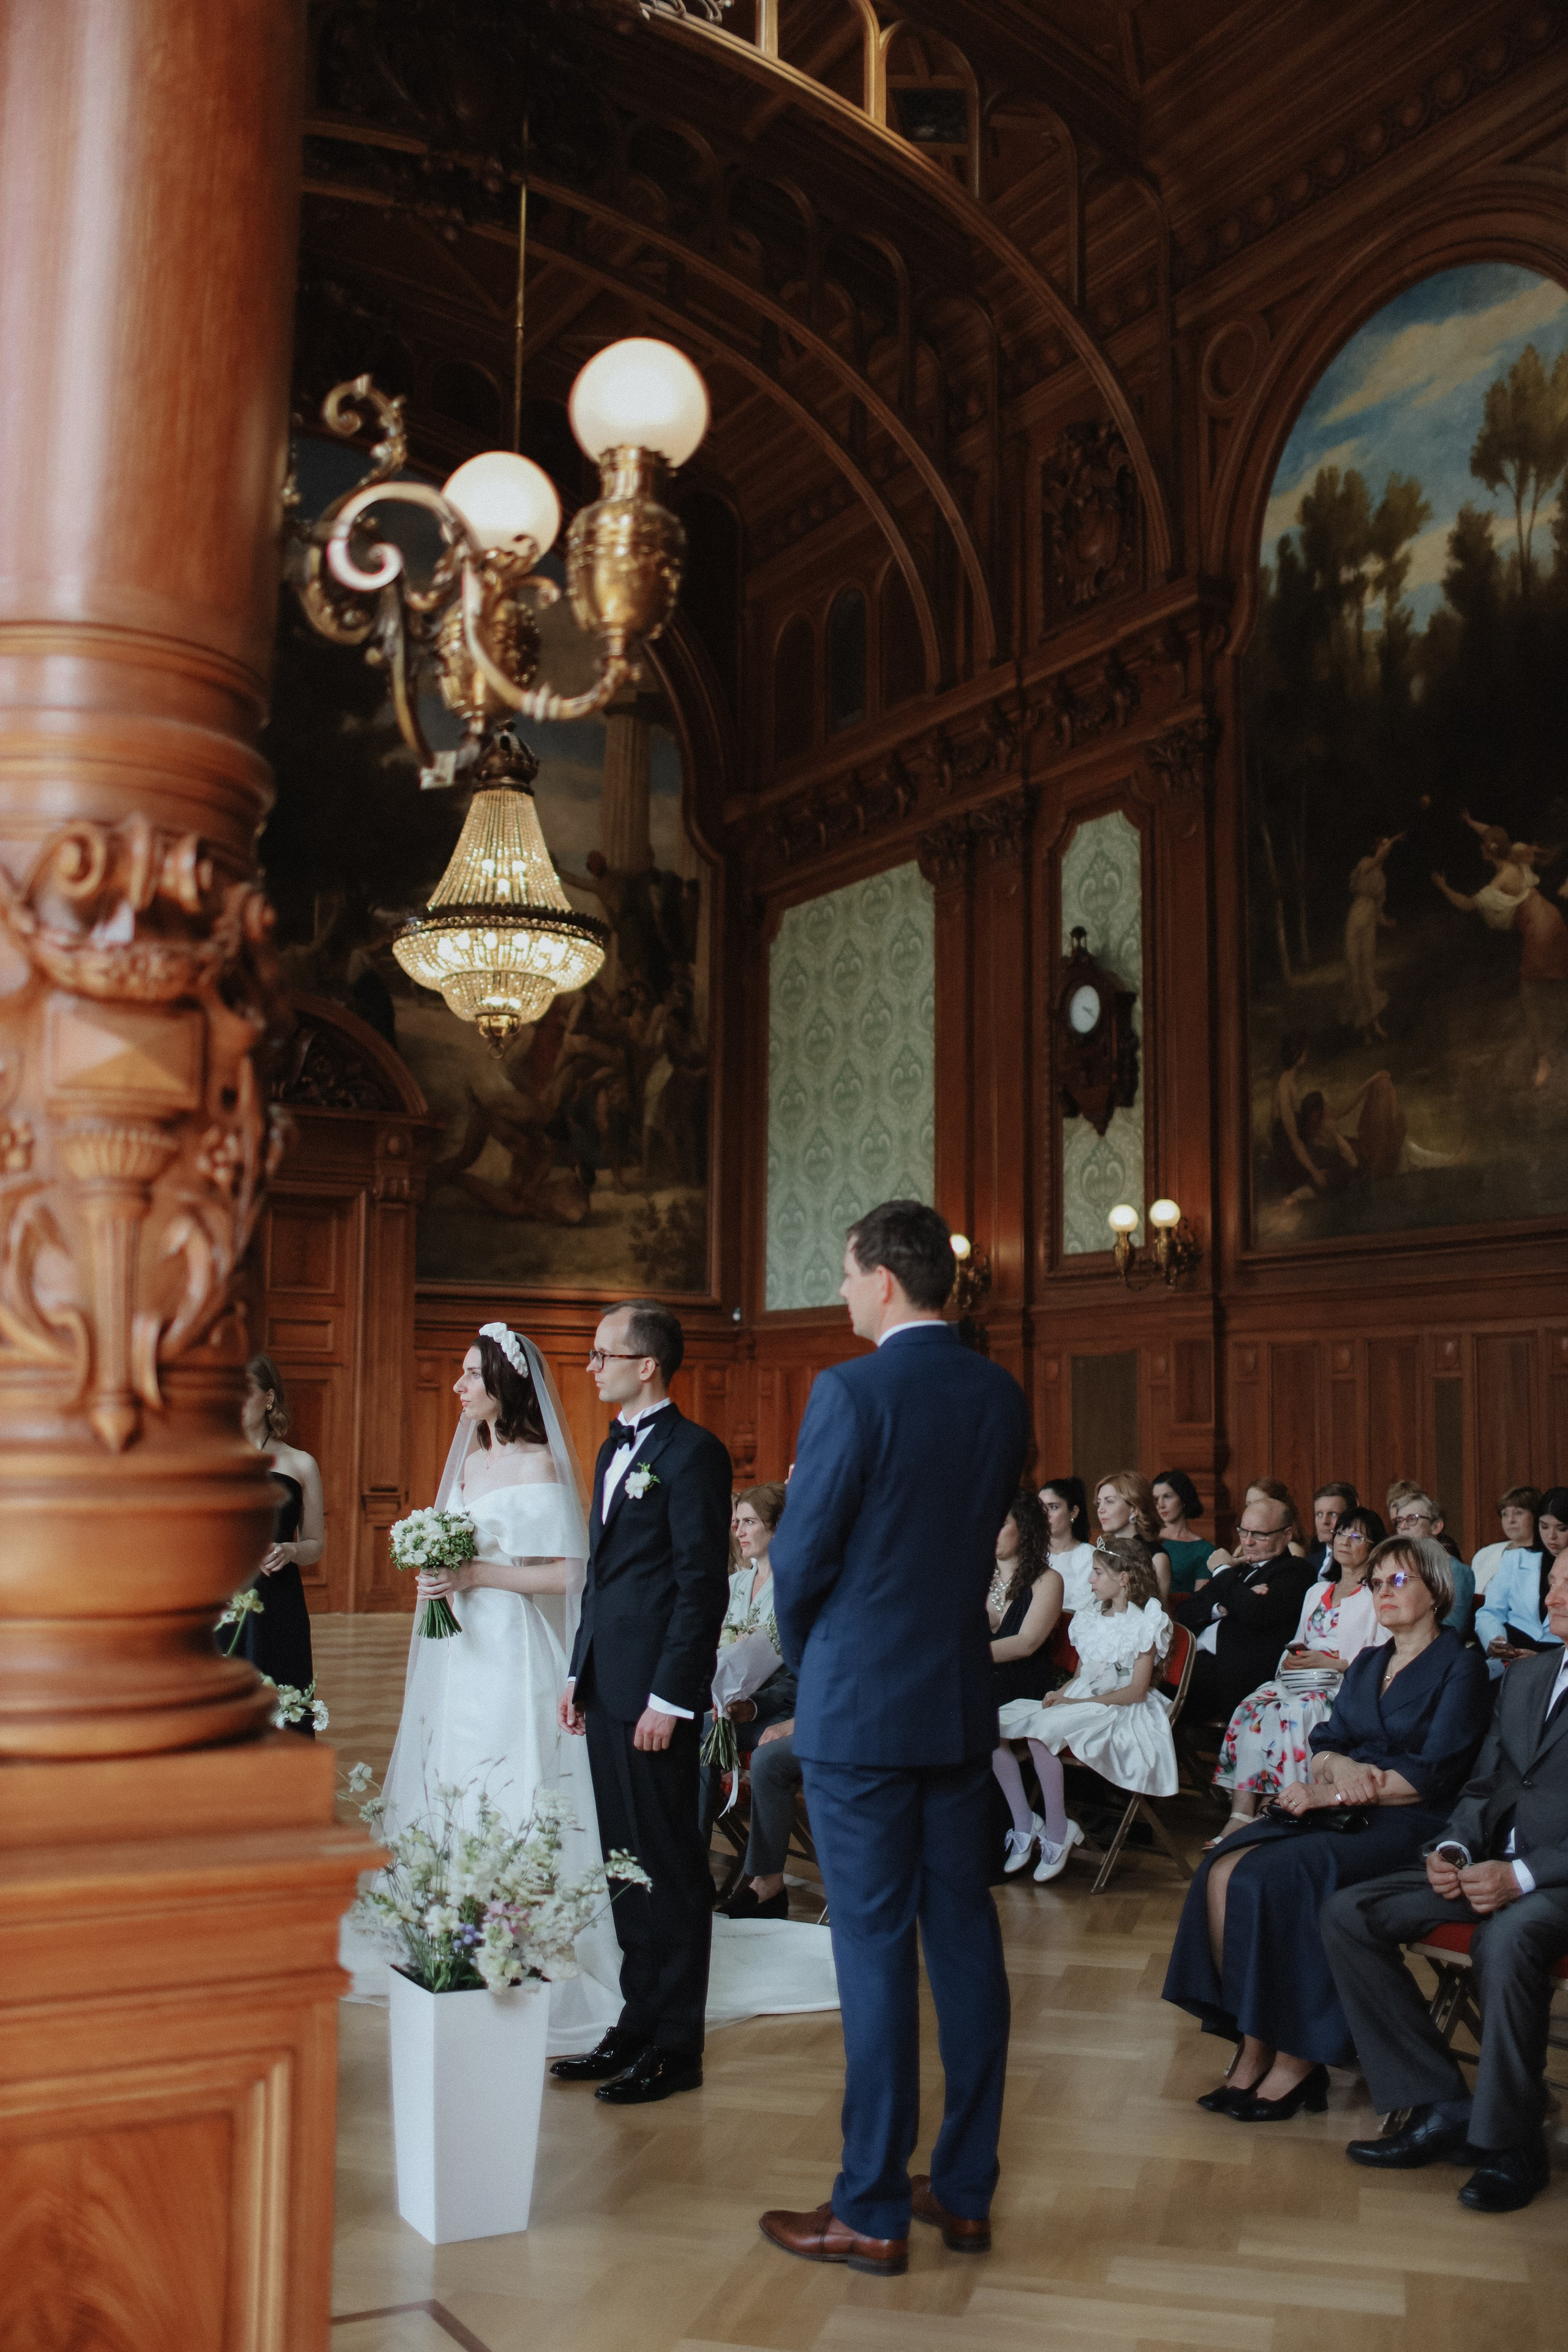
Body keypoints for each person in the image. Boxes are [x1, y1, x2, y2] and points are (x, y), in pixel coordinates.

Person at [759, 1200, 1029, 2277]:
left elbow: (800, 1556)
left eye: (843, 1272)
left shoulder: (851, 1388)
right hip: (958, 1700)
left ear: (881, 1278)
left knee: (870, 1948)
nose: (839, 1291)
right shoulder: (998, 1390)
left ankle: (870, 2207)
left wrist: (812, 1659)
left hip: (862, 1706)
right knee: (963, 1939)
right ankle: (962, 2194)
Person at [1166, 1536, 1490, 2120]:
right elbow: (1327, 1742)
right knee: (1222, 1867)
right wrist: (1336, 1770)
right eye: (1376, 1583)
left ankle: (1298, 2059)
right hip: (1343, 1805)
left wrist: (1335, 1788)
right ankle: (1253, 2041)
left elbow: (1436, 1772)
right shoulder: (1368, 1661)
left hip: (1410, 1820)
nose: (1383, 1593)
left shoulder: (1460, 1664)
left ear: (1436, 1591)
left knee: (1279, 1878)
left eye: (1399, 1581)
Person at [371, 1324, 624, 2055]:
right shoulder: (468, 1465)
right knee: (451, 1776)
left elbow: (568, 1574)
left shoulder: (538, 1464)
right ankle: (455, 1934)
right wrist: (434, 1580)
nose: (459, 1386)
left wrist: (477, 1575)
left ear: (504, 1385)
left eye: (472, 1375)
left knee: (511, 1778)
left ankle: (529, 1944)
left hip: (510, 1649)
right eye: (458, 1372)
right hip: (459, 1650)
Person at [1321, 1553, 1568, 2212]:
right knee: (1350, 1913)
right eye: (1552, 1581)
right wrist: (1454, 1846)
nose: (1553, 1594)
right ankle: (1438, 2103)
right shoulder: (1528, 1676)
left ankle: (1511, 2145)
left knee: (1507, 1942)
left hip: (1553, 1881)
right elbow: (1485, 1783)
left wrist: (1520, 1875)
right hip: (1487, 1865)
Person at [554, 1300, 733, 2105]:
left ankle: (675, 2047)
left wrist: (671, 1697)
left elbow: (701, 1587)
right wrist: (576, 1671)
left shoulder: (695, 1454)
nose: (592, 1367)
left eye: (602, 1354)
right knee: (624, 1866)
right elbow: (606, 1576)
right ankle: (634, 2023)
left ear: (646, 1365)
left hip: (658, 1697)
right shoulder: (608, 1449)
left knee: (669, 1868)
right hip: (606, 1685)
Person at [997, 1537, 1178, 1883]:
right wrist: (1061, 1693)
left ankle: (1058, 1829)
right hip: (1080, 1698)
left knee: (1039, 1736)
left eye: (1097, 1573)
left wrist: (1077, 1703)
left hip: (1120, 1707)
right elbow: (1083, 1673)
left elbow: (1137, 1691)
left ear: (1123, 1578)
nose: (1090, 1581)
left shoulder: (1147, 1621)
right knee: (990, 1726)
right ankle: (1024, 1820)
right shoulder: (1091, 1616)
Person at [1210, 1506, 1389, 1841]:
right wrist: (1290, 1659)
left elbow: (1381, 1655)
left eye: (1357, 1536)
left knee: (1295, 1714)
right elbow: (1299, 1640)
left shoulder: (1376, 1595)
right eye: (1341, 1533)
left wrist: (1330, 1662)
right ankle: (1240, 1814)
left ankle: (1284, 1807)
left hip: (1342, 1682)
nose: (1344, 1541)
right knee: (1251, 1708)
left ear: (1375, 1547)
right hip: (1302, 1677)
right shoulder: (1316, 1591)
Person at [699, 1481, 796, 1840]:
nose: (738, 1532)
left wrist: (752, 1706)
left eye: (750, 1522)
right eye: (736, 1522)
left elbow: (798, 1672)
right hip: (729, 1706)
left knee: (705, 1730)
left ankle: (695, 1848)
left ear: (778, 1526)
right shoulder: (737, 1583)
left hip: (777, 1711)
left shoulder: (793, 1586)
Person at [1173, 1491, 1316, 1728]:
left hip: (1234, 1676)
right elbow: (1185, 1612)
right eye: (1243, 1532)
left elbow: (1256, 1613)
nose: (1247, 1542)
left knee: (1147, 1699)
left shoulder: (1296, 1571)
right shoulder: (1237, 1571)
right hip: (1196, 1664)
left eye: (1259, 1535)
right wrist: (1223, 1606)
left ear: (1286, 1535)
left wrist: (1221, 1571)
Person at [236, 1355, 323, 1714]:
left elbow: (316, 1544)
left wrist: (290, 1550)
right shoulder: (207, 1457)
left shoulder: (300, 1463)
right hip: (222, 1601)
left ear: (269, 1397)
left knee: (283, 1708)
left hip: (279, 1602)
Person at [989, 1490, 1065, 1874]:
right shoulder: (982, 1576)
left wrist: (964, 1657)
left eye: (1001, 1523)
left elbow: (1026, 1642)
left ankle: (1040, 1824)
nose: (991, 1531)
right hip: (988, 1675)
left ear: (1026, 1529)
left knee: (971, 1713)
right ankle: (1022, 1821)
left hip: (1028, 1680)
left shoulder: (1048, 1579)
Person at [1474, 1486, 1568, 1676]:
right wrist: (1496, 1640)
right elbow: (1490, 1612)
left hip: (1557, 1654)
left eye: (1562, 1529)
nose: (1551, 1537)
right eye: (1544, 1527)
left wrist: (1544, 1660)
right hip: (1512, 1648)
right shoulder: (1516, 1558)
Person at [718, 1716, 803, 1921]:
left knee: (767, 1761)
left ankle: (768, 1886)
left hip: (840, 1717)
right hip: (778, 1710)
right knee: (694, 1728)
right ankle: (691, 1871)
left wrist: (799, 1721)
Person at [1341, 832, 1401, 1042]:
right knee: (1355, 973)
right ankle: (1365, 1029)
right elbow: (1374, 862)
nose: (1386, 850)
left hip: (1369, 926)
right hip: (1355, 919)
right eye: (1383, 846)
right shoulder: (1366, 863)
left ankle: (1375, 1024)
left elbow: (1378, 910)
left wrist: (1387, 922)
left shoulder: (1383, 880)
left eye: (1388, 848)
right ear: (1377, 848)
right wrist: (1392, 841)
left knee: (1367, 973)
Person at [1391, 1488, 1474, 1634]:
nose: (1403, 1526)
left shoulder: (1456, 1571)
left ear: (1436, 1527)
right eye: (1400, 1521)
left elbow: (1453, 1629)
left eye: (1412, 1519)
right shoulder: (1395, 1567)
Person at [1095, 1471, 1171, 1598]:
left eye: (1110, 1501)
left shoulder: (1157, 1558)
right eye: (1099, 1503)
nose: (1100, 1510)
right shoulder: (1102, 1550)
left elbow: (1158, 1613)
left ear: (1134, 1509)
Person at [1038, 1476, 1096, 1615]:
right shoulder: (1030, 1553)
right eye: (1041, 1508)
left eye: (1053, 1507)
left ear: (1074, 1512)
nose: (1045, 1514)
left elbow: (1081, 1609)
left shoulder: (1090, 1557)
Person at [1471, 1486, 1542, 1598]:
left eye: (1518, 1513)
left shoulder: (1546, 1556)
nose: (1510, 1520)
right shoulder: (1485, 1554)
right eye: (1505, 1514)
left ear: (1536, 1516)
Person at [1152, 1470, 1210, 1596]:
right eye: (1156, 1499)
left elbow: (1200, 1602)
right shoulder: (1146, 1539)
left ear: (1184, 1499)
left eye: (1167, 1497)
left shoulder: (1204, 1550)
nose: (1160, 1505)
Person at [1307, 1481, 1359, 1574]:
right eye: (1319, 1514)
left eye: (1333, 1514)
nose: (1324, 1521)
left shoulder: (1360, 1564)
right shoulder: (1309, 1564)